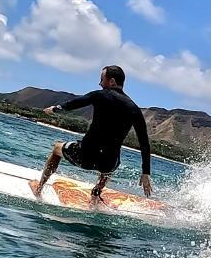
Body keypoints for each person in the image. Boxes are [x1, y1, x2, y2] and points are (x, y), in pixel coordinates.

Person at [33, 65, 152, 204]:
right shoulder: (135, 109)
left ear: (112, 81)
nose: (100, 83)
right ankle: (96, 194)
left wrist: (55, 109)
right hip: (107, 164)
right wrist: (145, 173)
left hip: (85, 156)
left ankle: (39, 188)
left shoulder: (100, 95)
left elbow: (75, 103)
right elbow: (144, 143)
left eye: (102, 79)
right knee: (114, 161)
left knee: (56, 149)